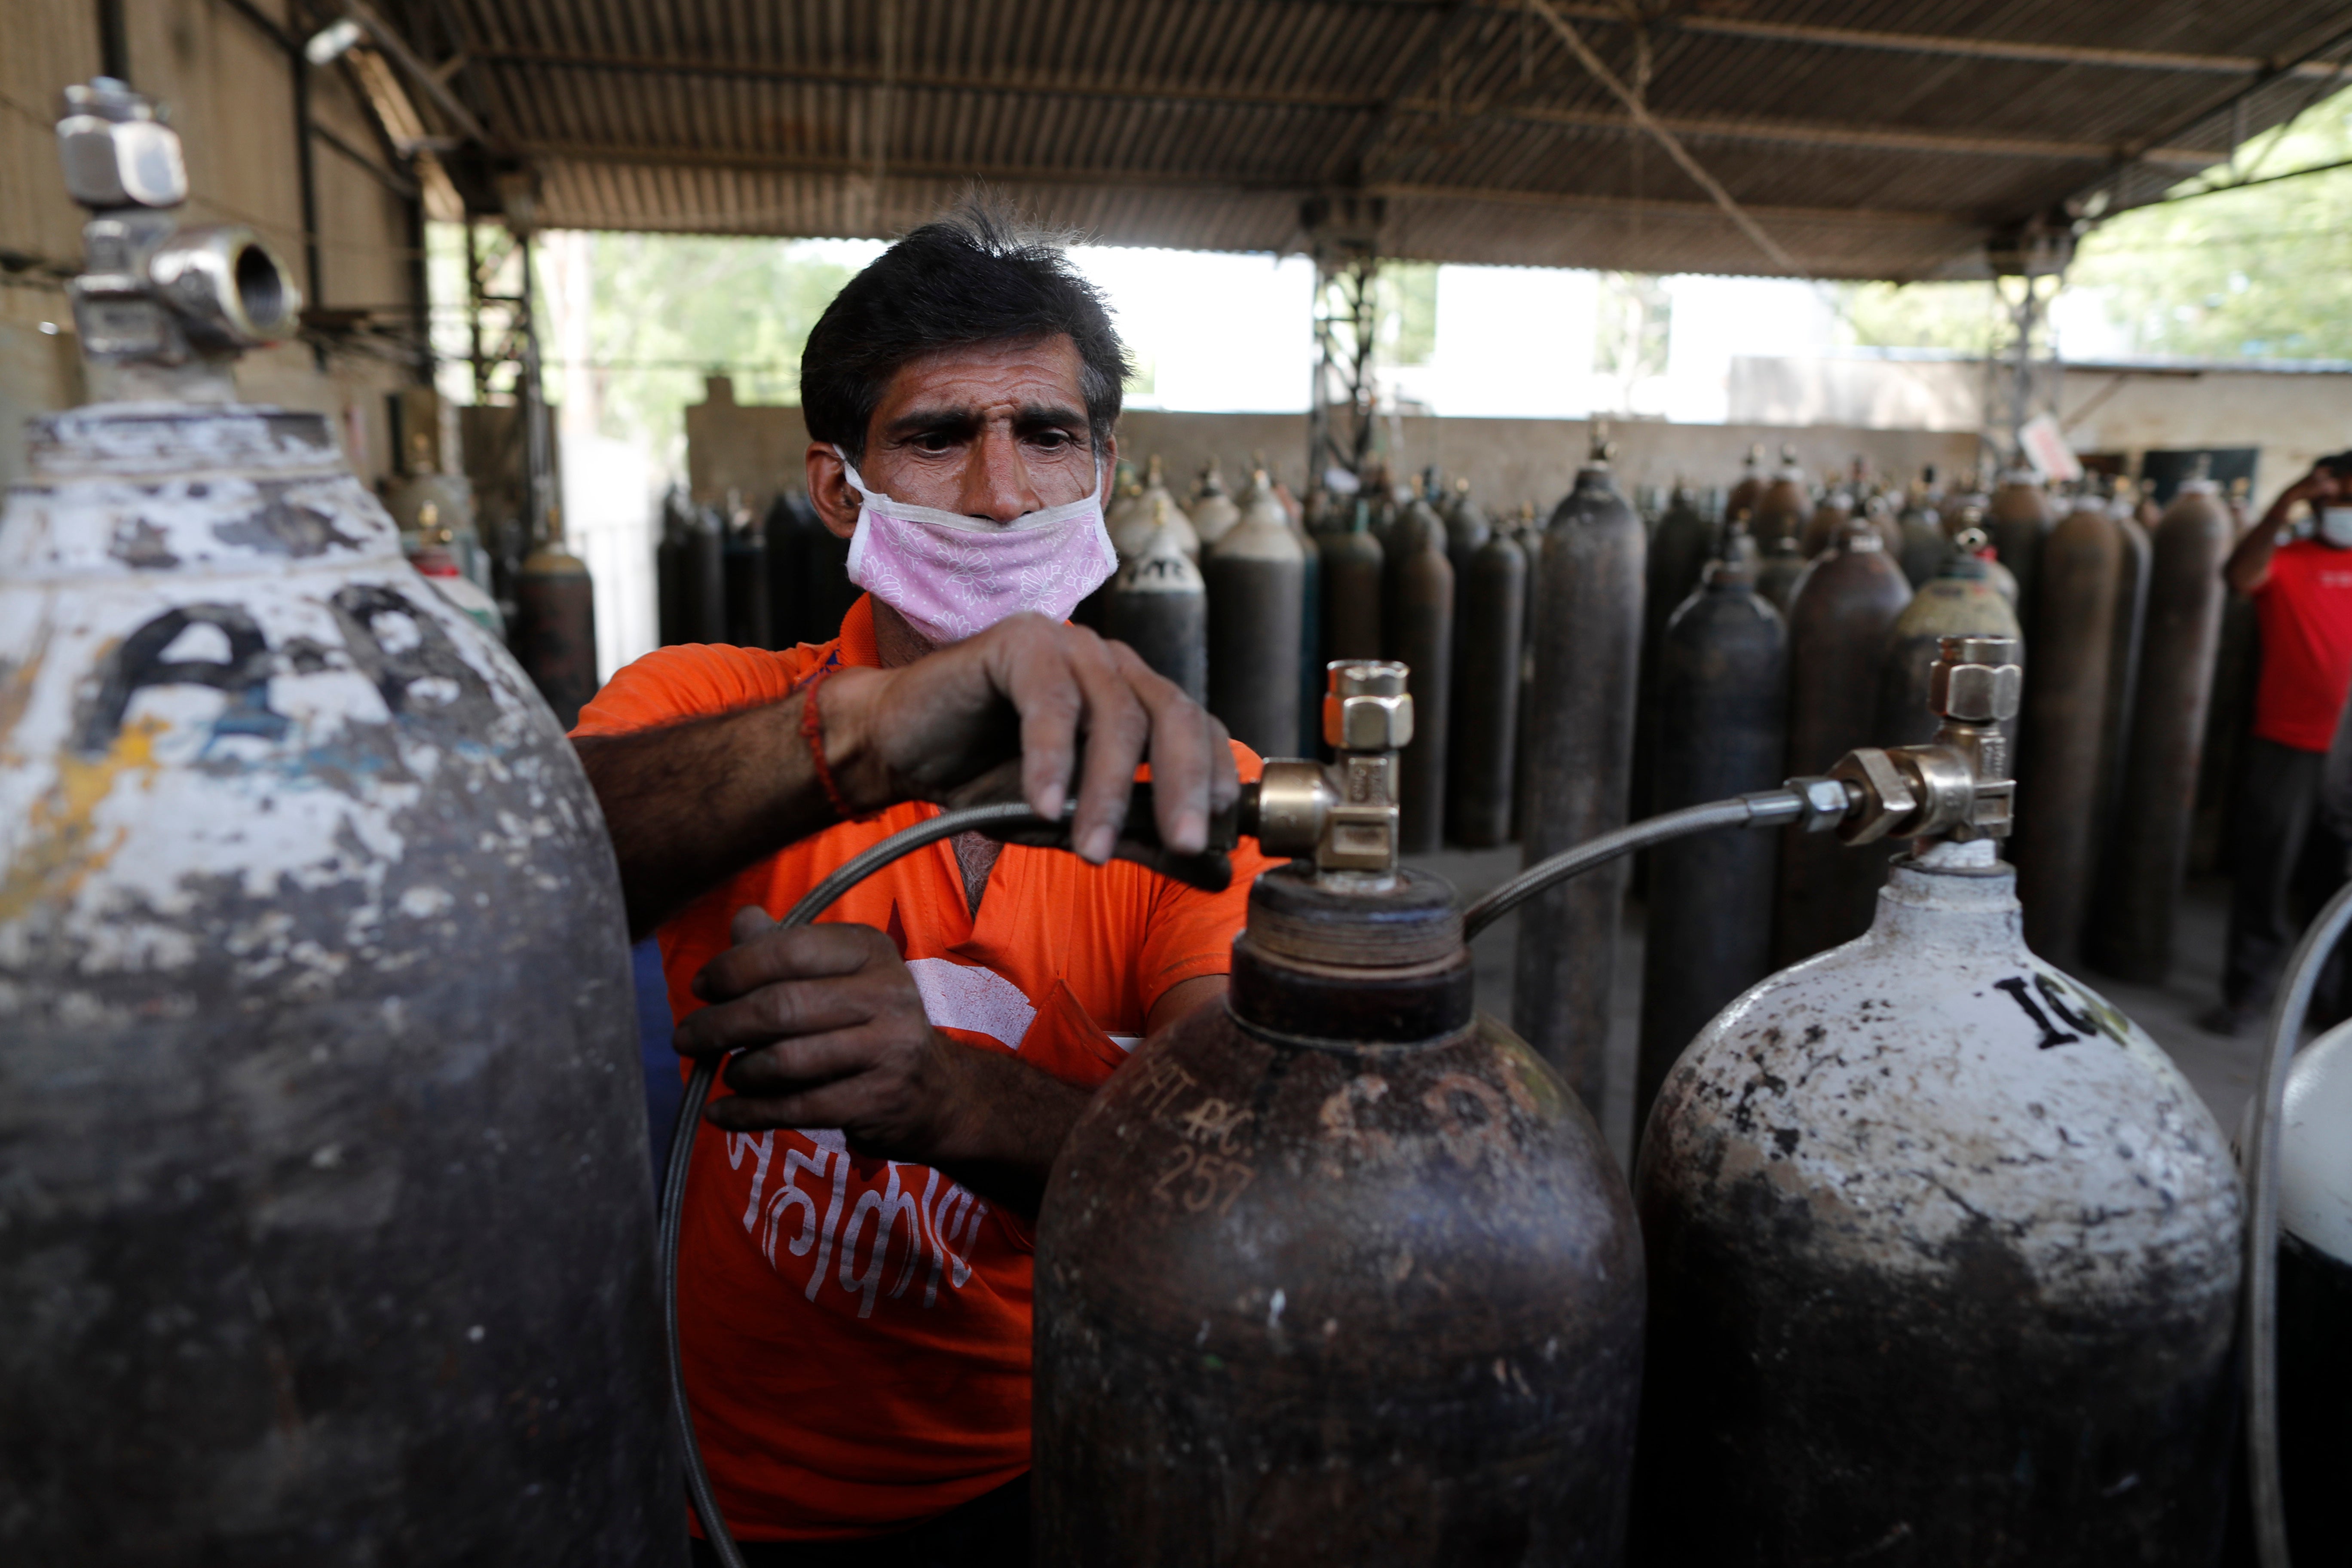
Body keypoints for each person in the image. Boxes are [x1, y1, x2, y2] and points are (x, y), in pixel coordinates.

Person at [571, 205, 1278, 1566]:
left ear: (1105, 472)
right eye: (940, 438)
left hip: (1053, 1467)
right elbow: (527, 870)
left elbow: (1241, 1185)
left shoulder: (1195, 790)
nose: (1005, 490)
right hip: (744, 1500)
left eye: (1048, 434)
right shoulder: (710, 707)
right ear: (843, 489)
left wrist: (956, 1096)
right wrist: (871, 727)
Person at [2205, 454, 2352, 1034]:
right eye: (2331, 500)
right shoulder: (2286, 561)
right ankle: (2246, 994)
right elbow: (2239, 579)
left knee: (2337, 885)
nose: (2341, 510)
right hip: (2285, 744)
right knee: (2265, 872)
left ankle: (2330, 1006)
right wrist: (2281, 506)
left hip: (2348, 754)